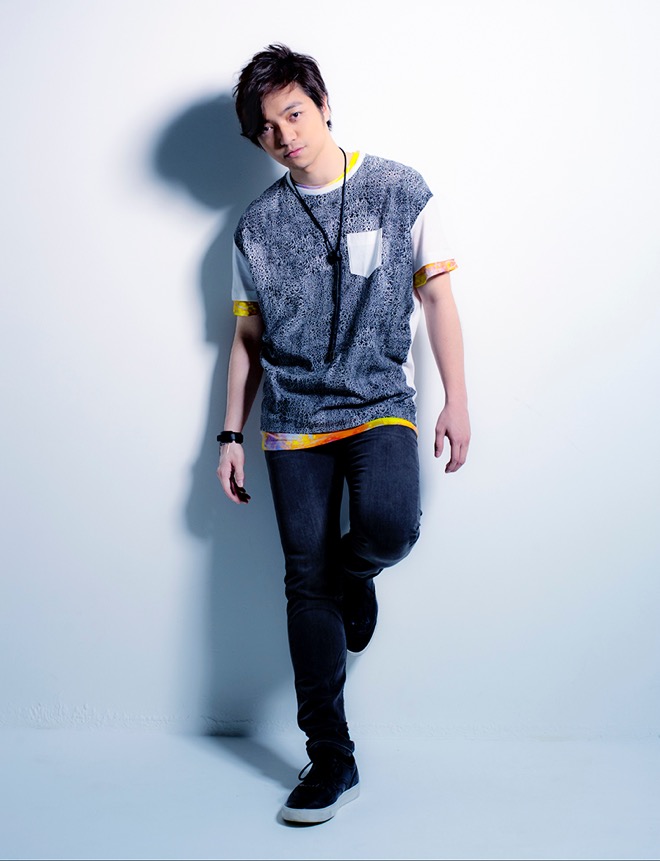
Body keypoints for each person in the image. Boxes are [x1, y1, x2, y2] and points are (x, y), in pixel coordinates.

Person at [217, 43, 470, 824]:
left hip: (378, 403)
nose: (285, 135)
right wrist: (229, 435)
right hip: (292, 421)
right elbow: (246, 338)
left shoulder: (399, 188)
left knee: (391, 527)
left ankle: (354, 575)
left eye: (294, 113)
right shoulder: (255, 226)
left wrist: (456, 399)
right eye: (267, 128)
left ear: (323, 106)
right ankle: (330, 756)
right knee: (304, 581)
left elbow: (438, 300)